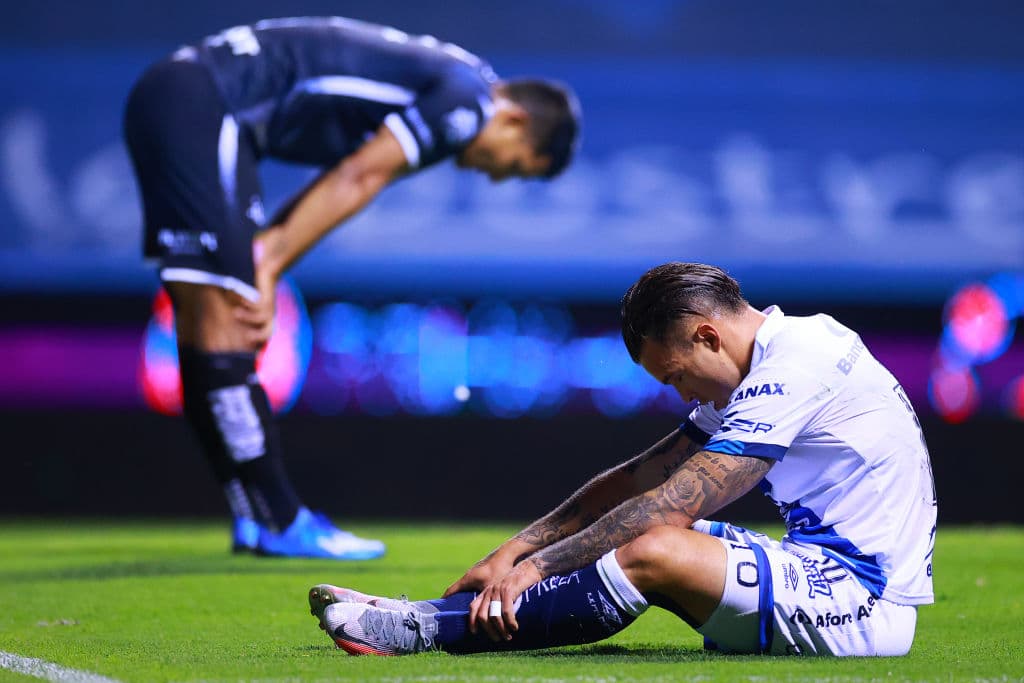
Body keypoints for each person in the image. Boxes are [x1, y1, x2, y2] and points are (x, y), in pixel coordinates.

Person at [123, 16, 581, 559]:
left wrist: (265, 256)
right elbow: (360, 176)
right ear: (515, 119)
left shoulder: (456, 79)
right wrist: (265, 265)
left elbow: (346, 172)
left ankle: (258, 515)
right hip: (202, 104)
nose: (495, 177)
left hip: (192, 100)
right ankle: (278, 519)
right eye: (514, 167)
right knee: (229, 311)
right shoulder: (468, 104)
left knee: (212, 317)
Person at [308, 262, 937, 655]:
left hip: (865, 604)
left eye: (677, 376)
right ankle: (427, 611)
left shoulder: (799, 366)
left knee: (655, 544)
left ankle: (429, 632)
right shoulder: (783, 351)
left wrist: (537, 568)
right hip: (819, 568)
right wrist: (514, 551)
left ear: (708, 336)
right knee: (639, 527)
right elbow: (641, 477)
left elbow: (676, 500)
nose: (683, 394)